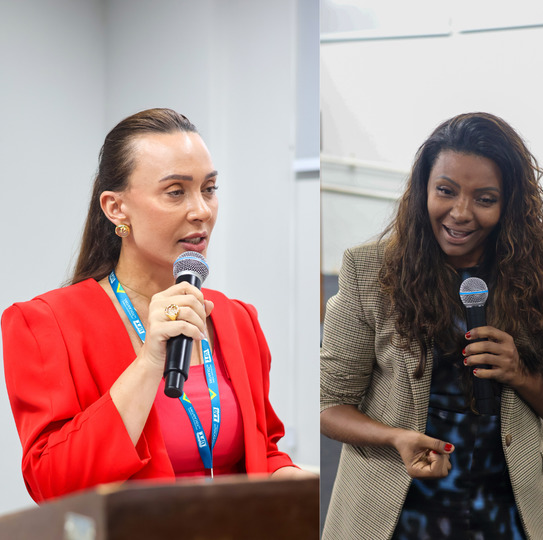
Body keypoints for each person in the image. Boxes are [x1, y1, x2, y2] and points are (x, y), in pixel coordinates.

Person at [2, 108, 315, 503]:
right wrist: (150, 362)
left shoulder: (236, 319)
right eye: (176, 192)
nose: (201, 209)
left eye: (210, 188)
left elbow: (261, 453)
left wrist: (299, 482)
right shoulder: (44, 323)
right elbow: (50, 482)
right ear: (116, 208)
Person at [319, 112, 543, 539]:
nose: (460, 213)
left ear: (510, 205)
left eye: (484, 198)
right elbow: (328, 402)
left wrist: (520, 373)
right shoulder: (370, 270)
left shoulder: (537, 275)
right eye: (445, 191)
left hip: (506, 509)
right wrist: (395, 438)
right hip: (397, 509)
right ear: (423, 190)